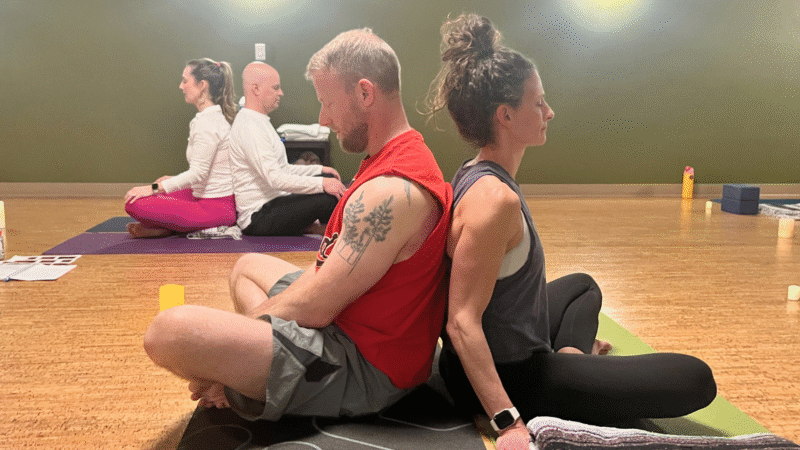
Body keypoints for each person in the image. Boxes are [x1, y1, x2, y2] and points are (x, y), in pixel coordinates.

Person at [424, 14, 717, 449]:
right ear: (506, 116)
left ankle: (572, 361)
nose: (549, 112)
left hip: (514, 344)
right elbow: (461, 322)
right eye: (538, 103)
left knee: (582, 286)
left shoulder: (477, 170)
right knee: (695, 378)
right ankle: (569, 382)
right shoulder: (494, 201)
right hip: (509, 376)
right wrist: (508, 421)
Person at [143, 28, 453, 423]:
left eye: (327, 103)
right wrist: (240, 348)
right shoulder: (394, 156)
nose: (323, 119)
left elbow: (317, 306)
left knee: (169, 332)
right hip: (347, 321)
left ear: (365, 93)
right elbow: (327, 273)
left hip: (364, 367)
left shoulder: (393, 191)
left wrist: (229, 354)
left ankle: (253, 380)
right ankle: (261, 375)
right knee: (247, 267)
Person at [124, 58, 238, 238]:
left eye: (185, 81)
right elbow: (204, 172)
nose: (181, 86)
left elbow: (198, 174)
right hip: (201, 195)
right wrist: (170, 181)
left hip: (216, 207)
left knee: (134, 203)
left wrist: (153, 188)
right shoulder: (207, 118)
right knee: (146, 194)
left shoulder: (208, 123)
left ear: (202, 85)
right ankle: (168, 226)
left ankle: (169, 227)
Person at [229, 62, 345, 236]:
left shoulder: (259, 121)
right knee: (327, 196)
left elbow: (283, 169)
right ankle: (334, 231)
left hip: (275, 202)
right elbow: (275, 179)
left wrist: (319, 170)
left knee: (329, 179)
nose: (280, 93)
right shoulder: (249, 126)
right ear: (256, 89)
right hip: (258, 217)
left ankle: (324, 227)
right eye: (275, 88)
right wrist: (322, 184)